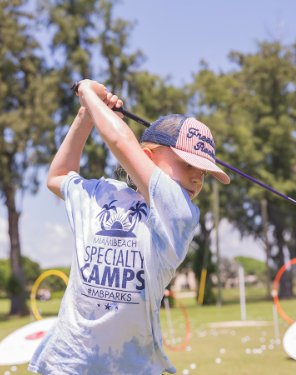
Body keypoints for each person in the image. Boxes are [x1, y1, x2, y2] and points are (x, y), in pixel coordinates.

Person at [28, 79, 230, 375]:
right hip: (65, 364)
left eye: (203, 172)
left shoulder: (180, 213)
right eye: (187, 165)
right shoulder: (100, 193)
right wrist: (86, 115)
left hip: (130, 367)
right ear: (148, 157)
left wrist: (88, 95)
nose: (197, 178)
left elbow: (121, 141)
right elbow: (58, 176)